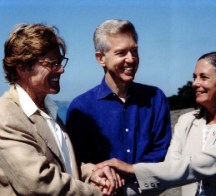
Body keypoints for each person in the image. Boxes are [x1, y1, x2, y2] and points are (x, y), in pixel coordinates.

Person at [95, 51, 216, 195]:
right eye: (194, 77)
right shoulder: (186, 121)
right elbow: (169, 172)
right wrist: (114, 191)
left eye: (204, 77)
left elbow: (201, 164)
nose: (195, 83)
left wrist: (131, 168)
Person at [0, 23, 123, 196]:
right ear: (22, 68)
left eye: (60, 62)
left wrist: (94, 172)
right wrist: (95, 192)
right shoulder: (5, 115)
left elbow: (65, 165)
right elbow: (39, 183)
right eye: (52, 64)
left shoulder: (48, 110)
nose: (61, 69)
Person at [66, 19, 172, 187]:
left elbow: (162, 151)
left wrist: (129, 171)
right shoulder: (81, 107)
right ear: (101, 58)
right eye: (121, 53)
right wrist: (106, 178)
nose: (131, 59)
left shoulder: (155, 98)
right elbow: (78, 162)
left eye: (134, 51)